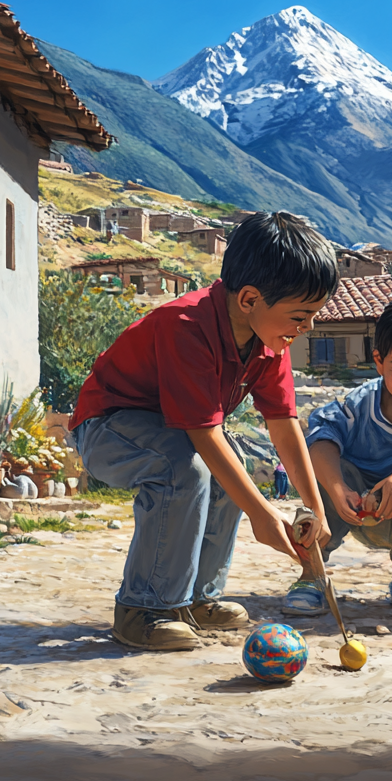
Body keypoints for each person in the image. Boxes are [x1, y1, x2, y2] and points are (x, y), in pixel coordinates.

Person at [70, 211, 337, 651]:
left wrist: (314, 507)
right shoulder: (187, 327)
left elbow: (284, 423)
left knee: (228, 462)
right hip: (107, 428)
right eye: (300, 316)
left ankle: (196, 598)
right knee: (183, 469)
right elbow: (199, 434)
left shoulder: (270, 340)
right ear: (250, 299)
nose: (307, 328)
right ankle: (144, 608)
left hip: (175, 434)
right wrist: (262, 514)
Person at [283, 294, 392, 613]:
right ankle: (311, 574)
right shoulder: (358, 404)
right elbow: (321, 438)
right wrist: (338, 491)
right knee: (326, 477)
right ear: (379, 361)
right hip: (346, 504)